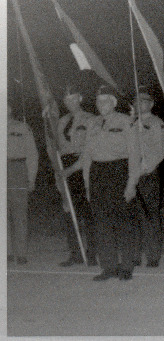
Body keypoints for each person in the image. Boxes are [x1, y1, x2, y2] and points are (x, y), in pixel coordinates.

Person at [67, 85, 140, 281]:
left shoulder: (126, 122)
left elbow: (134, 156)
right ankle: (108, 267)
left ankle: (126, 266)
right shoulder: (92, 124)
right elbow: (87, 156)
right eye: (99, 101)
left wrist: (131, 183)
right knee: (102, 223)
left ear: (114, 103)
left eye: (106, 100)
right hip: (98, 174)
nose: (101, 104)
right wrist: (87, 184)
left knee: (123, 222)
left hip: (119, 172)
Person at [55, 86, 98, 267]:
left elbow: (89, 150)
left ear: (80, 98)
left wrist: (72, 168)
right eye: (67, 101)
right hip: (65, 167)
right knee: (69, 212)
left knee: (88, 213)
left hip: (83, 168)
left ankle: (92, 253)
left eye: (73, 99)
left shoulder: (91, 119)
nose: (70, 103)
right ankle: (75, 253)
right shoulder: (61, 121)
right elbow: (56, 148)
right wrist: (60, 171)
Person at [131, 87, 164, 268]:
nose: (140, 104)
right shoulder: (131, 122)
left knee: (150, 214)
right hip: (132, 174)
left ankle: (153, 255)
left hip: (147, 174)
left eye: (144, 101)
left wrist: (147, 166)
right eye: (137, 100)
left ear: (151, 104)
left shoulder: (156, 122)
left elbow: (161, 150)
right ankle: (135, 255)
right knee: (134, 215)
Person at [7, 101, 39, 265]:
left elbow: (32, 154)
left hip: (17, 169)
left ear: (10, 108)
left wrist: (31, 177)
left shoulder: (22, 127)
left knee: (19, 212)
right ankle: (6, 251)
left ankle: (20, 252)